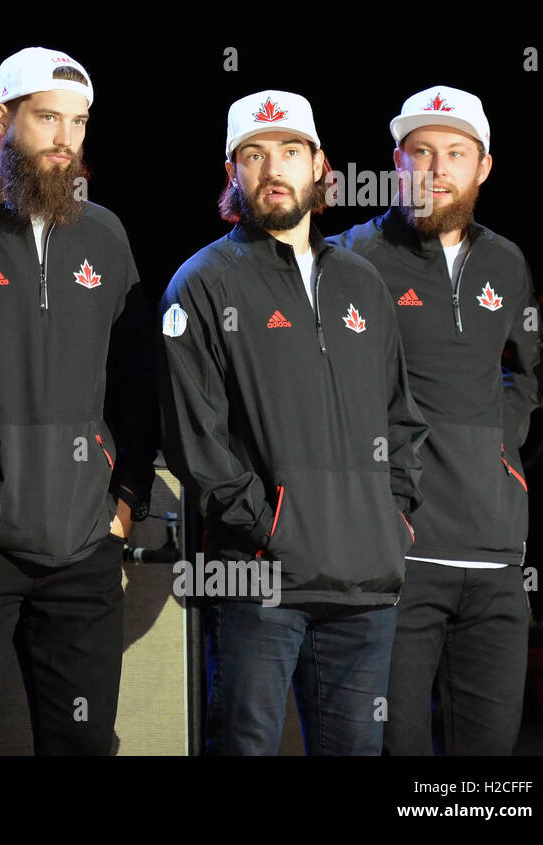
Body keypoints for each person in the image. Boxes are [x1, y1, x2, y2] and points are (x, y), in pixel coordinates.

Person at [157, 89, 428, 755]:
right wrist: (270, 526)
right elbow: (196, 441)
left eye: (288, 151)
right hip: (259, 582)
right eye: (253, 154)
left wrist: (392, 515)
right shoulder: (201, 284)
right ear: (233, 173)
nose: (272, 167)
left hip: (365, 585)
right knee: (245, 746)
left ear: (319, 165)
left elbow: (402, 417)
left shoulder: (364, 282)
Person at [0, 47, 156, 754]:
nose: (65, 138)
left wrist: (124, 504)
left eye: (79, 122)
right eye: (47, 117)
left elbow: (139, 383)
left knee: (84, 743)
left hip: (83, 542)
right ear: (2, 118)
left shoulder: (106, 232)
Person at [331, 86, 543, 754]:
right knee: (399, 749)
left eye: (455, 153)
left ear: (483, 167)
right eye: (420, 152)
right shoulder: (352, 258)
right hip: (398, 557)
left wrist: (499, 450)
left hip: (495, 557)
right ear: (397, 162)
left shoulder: (507, 262)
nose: (437, 168)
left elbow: (530, 371)